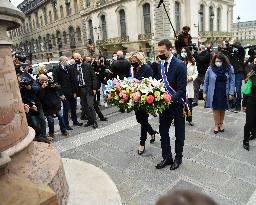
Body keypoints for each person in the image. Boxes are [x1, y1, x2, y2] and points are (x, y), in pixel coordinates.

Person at [155, 39, 187, 170]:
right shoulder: (160, 65)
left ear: (170, 49)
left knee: (179, 133)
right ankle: (167, 157)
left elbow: (181, 90)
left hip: (178, 104)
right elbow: (158, 84)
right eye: (159, 52)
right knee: (163, 131)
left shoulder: (180, 65)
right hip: (164, 106)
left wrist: (169, 98)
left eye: (162, 51)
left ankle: (178, 158)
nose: (160, 54)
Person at [129, 52, 158, 155]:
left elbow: (150, 83)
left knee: (144, 120)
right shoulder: (134, 69)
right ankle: (152, 132)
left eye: (134, 61)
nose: (132, 63)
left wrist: (140, 89)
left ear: (139, 60)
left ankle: (142, 143)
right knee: (139, 119)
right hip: (136, 98)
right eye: (131, 61)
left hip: (144, 98)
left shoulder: (147, 68)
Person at [203, 52, 235, 134]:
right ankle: (216, 124)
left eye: (220, 61)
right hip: (213, 91)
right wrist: (204, 92)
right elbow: (206, 81)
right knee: (215, 109)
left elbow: (232, 81)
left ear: (223, 61)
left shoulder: (229, 68)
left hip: (225, 91)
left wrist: (231, 93)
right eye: (217, 61)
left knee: (222, 108)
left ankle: (221, 123)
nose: (218, 63)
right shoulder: (210, 68)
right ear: (214, 61)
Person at [53, 56, 83, 130]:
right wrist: (60, 94)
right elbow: (56, 83)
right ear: (62, 61)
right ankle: (66, 124)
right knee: (66, 109)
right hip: (64, 93)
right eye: (66, 60)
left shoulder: (68, 68)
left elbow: (73, 81)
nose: (68, 61)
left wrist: (75, 92)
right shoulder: (57, 69)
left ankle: (75, 121)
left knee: (73, 107)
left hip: (71, 92)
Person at [38, 74, 69, 139]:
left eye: (46, 80)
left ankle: (64, 131)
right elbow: (39, 96)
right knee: (50, 121)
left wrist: (52, 85)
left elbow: (59, 88)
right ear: (40, 81)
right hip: (47, 107)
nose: (45, 81)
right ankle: (51, 133)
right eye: (43, 80)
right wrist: (42, 88)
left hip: (56, 104)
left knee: (61, 117)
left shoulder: (51, 82)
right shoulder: (38, 86)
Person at [72, 53, 98, 129]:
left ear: (81, 58)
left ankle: (94, 121)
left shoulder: (87, 66)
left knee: (90, 105)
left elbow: (93, 77)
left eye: (78, 58)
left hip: (88, 88)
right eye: (75, 58)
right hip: (80, 89)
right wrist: (74, 91)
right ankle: (90, 120)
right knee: (84, 106)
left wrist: (94, 88)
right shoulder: (73, 68)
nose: (77, 60)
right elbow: (72, 81)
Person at [180, 47, 198, 126]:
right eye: (182, 51)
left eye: (184, 51)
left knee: (189, 104)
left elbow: (196, 73)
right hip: (180, 86)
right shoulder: (178, 61)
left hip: (189, 85)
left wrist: (191, 78)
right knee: (180, 104)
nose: (183, 53)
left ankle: (189, 119)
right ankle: (178, 119)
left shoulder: (192, 62)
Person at [242, 57, 256, 151]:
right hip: (252, 101)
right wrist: (244, 104)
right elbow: (246, 91)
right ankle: (245, 140)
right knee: (249, 122)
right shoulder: (252, 75)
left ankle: (254, 134)